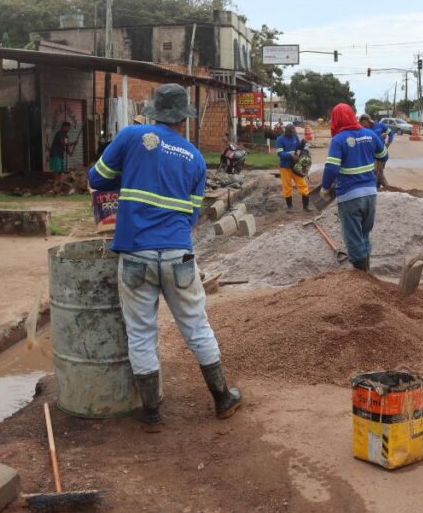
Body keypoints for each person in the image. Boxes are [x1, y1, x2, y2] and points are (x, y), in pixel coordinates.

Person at [88, 84, 242, 432]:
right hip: (177, 253)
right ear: (182, 117)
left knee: (141, 333)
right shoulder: (195, 158)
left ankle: (152, 414)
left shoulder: (131, 136)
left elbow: (96, 178)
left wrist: (128, 170)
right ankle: (222, 399)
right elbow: (191, 217)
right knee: (196, 326)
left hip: (135, 253)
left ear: (154, 111)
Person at [316, 103, 388, 271]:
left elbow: (332, 168)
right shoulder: (369, 134)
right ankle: (367, 275)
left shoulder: (338, 140)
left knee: (353, 238)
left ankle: (361, 281)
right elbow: (384, 155)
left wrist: (325, 188)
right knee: (364, 234)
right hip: (371, 194)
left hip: (350, 196)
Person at [275, 124, 311, 211]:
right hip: (285, 167)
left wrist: (303, 142)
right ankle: (290, 207)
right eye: (290, 133)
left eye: (293, 132)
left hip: (296, 166)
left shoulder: (294, 136)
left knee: (302, 184)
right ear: (286, 131)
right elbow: (280, 153)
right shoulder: (280, 139)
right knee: (287, 187)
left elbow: (299, 147)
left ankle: (306, 207)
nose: (292, 134)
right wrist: (290, 156)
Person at [359, 114, 392, 190]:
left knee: (377, 172)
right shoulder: (362, 130)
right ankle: (378, 189)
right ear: (363, 122)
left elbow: (390, 133)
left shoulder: (379, 125)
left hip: (381, 154)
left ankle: (387, 188)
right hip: (371, 156)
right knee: (376, 172)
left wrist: (388, 143)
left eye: (370, 121)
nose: (370, 124)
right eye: (368, 122)